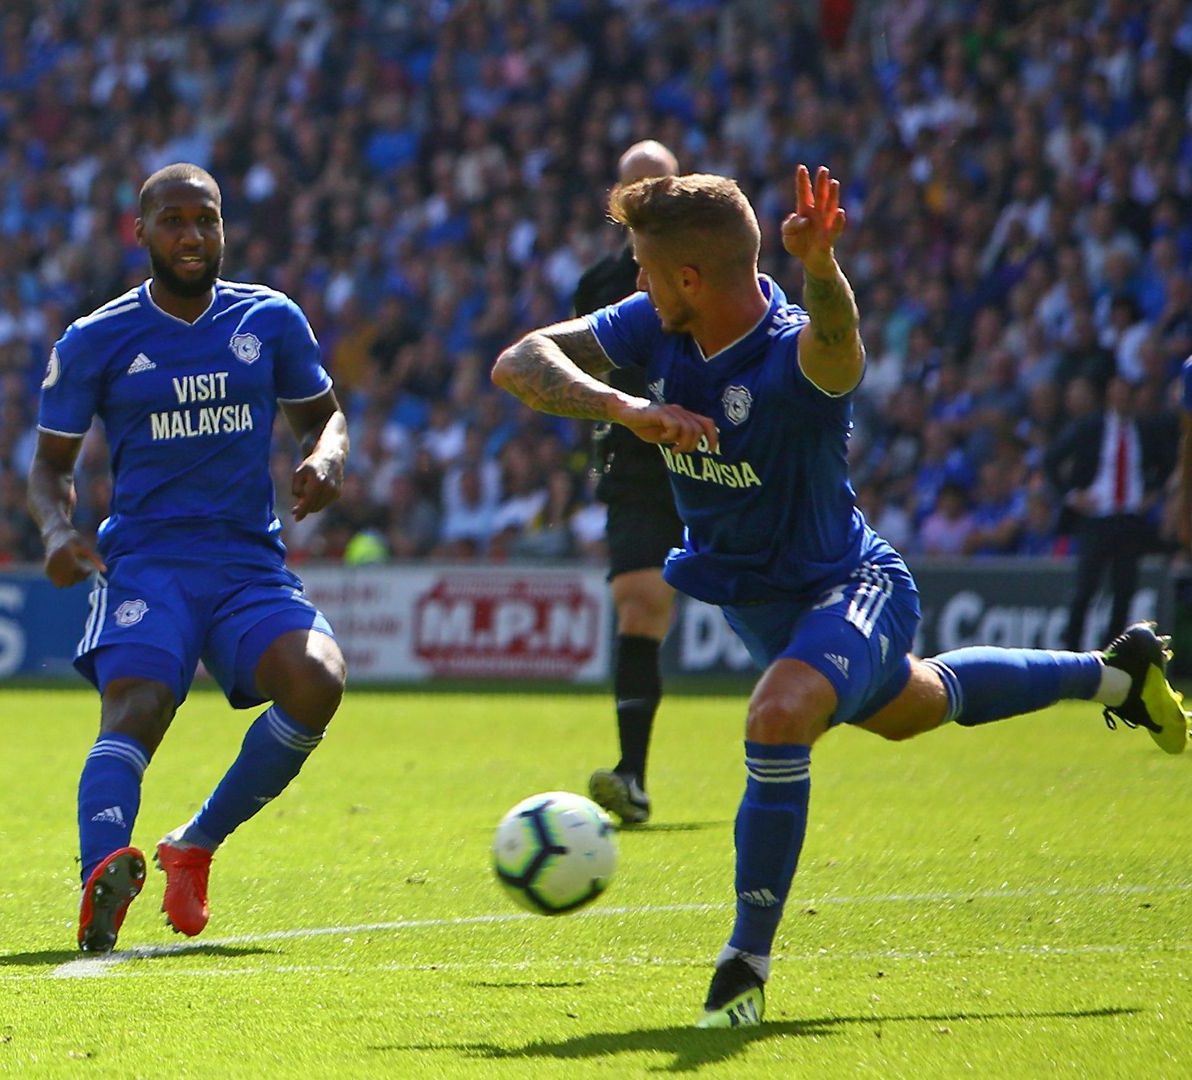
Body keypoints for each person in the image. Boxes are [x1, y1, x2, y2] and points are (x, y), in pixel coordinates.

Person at [491, 165, 1188, 1028]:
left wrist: (821, 267)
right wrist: (625, 409)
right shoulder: (653, 323)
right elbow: (520, 361)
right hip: (763, 605)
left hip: (852, 587)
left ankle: (742, 970)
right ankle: (1117, 676)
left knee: (777, 714)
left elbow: (840, 340)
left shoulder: (794, 355)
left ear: (691, 277)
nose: (634, 280)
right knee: (914, 705)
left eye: (644, 267)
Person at [28, 163, 349, 953]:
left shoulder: (269, 319)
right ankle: (102, 875)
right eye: (172, 220)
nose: (192, 235)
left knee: (317, 680)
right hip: (147, 562)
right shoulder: (96, 338)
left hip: (246, 564)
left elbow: (324, 417)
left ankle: (195, 844)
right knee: (139, 707)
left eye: (206, 219)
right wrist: (56, 534)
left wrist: (327, 457)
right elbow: (49, 467)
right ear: (140, 231)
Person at [572, 139, 684, 825]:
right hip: (639, 465)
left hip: (721, 455)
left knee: (773, 609)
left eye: (660, 187)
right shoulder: (598, 285)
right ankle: (632, 775)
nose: (646, 200)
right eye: (634, 189)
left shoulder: (719, 272)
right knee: (640, 605)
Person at [1047, 376, 1172, 649]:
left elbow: (1167, 463)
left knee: (1124, 590)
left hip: (1130, 518)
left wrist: (1152, 492)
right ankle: (1072, 650)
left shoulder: (1145, 429)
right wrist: (1072, 495)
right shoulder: (1090, 427)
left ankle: (1113, 653)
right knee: (1085, 589)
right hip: (1097, 517)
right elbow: (1052, 460)